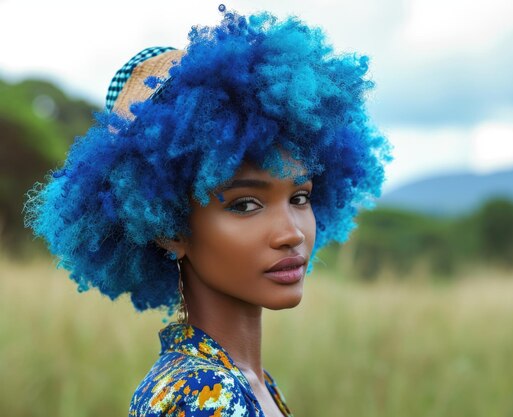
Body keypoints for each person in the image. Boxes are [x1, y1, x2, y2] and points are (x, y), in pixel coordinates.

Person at [25, 7, 391, 417]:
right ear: (170, 227)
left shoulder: (244, 382)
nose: (291, 233)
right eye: (245, 204)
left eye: (300, 198)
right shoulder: (204, 394)